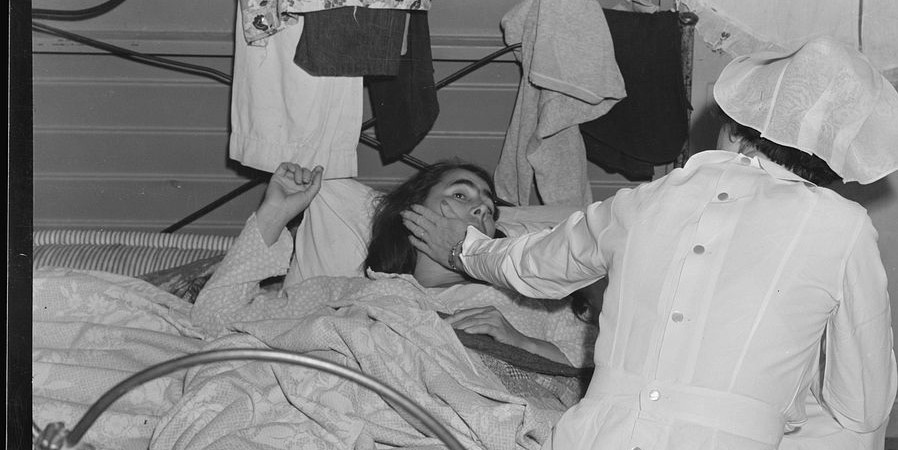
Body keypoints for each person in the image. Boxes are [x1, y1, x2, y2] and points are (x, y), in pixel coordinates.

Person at [400, 35, 898, 450]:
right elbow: (860, 404)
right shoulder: (843, 226)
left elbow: (529, 265)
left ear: (735, 133)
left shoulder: (643, 202)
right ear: (834, 164)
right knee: (852, 426)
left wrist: (464, 251)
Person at [192, 159, 596, 370]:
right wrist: (274, 213)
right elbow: (214, 323)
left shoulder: (535, 301)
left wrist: (521, 342)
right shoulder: (349, 293)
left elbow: (605, 370)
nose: (481, 207)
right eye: (460, 195)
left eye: (489, 208)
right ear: (411, 213)